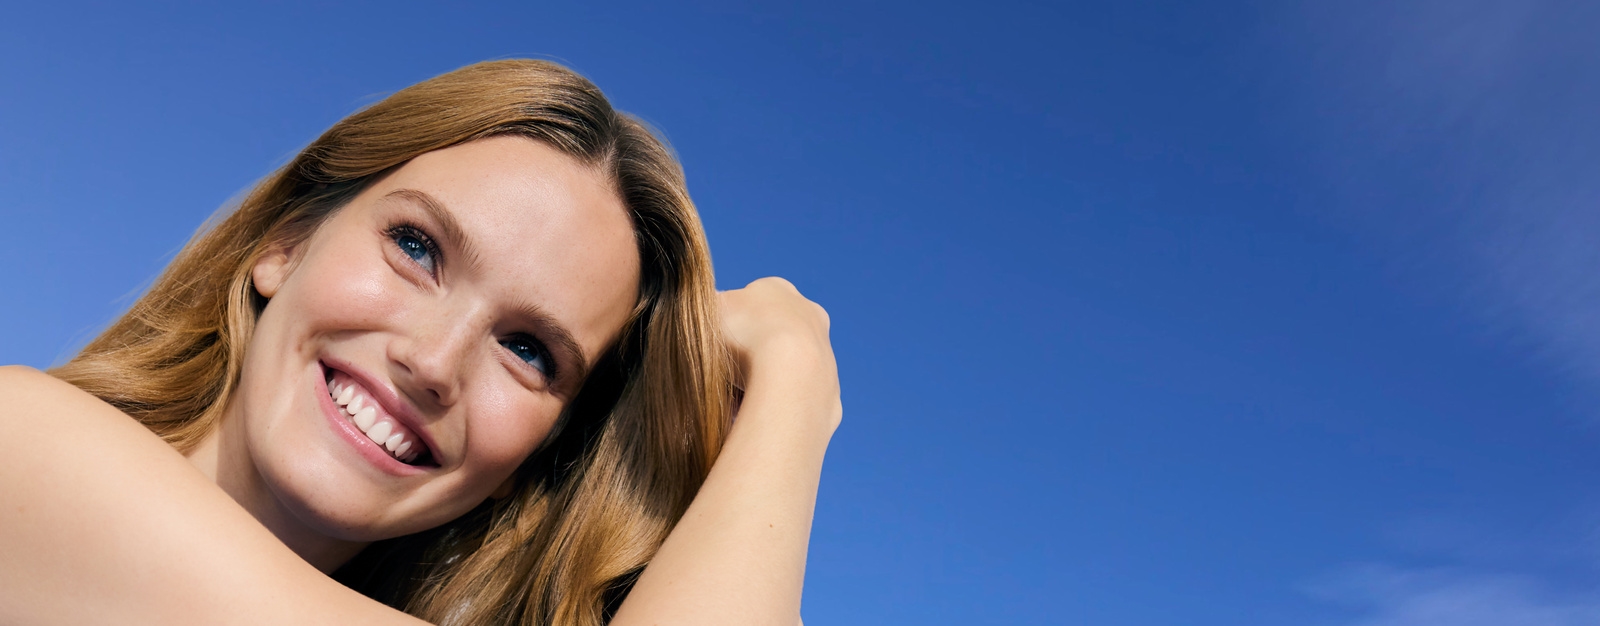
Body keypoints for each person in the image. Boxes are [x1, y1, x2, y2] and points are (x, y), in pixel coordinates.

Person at [0, 59, 840, 626]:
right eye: (416, 248)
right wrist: (794, 393)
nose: (434, 363)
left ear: (545, 452)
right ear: (285, 240)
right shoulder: (22, 443)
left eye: (529, 350)